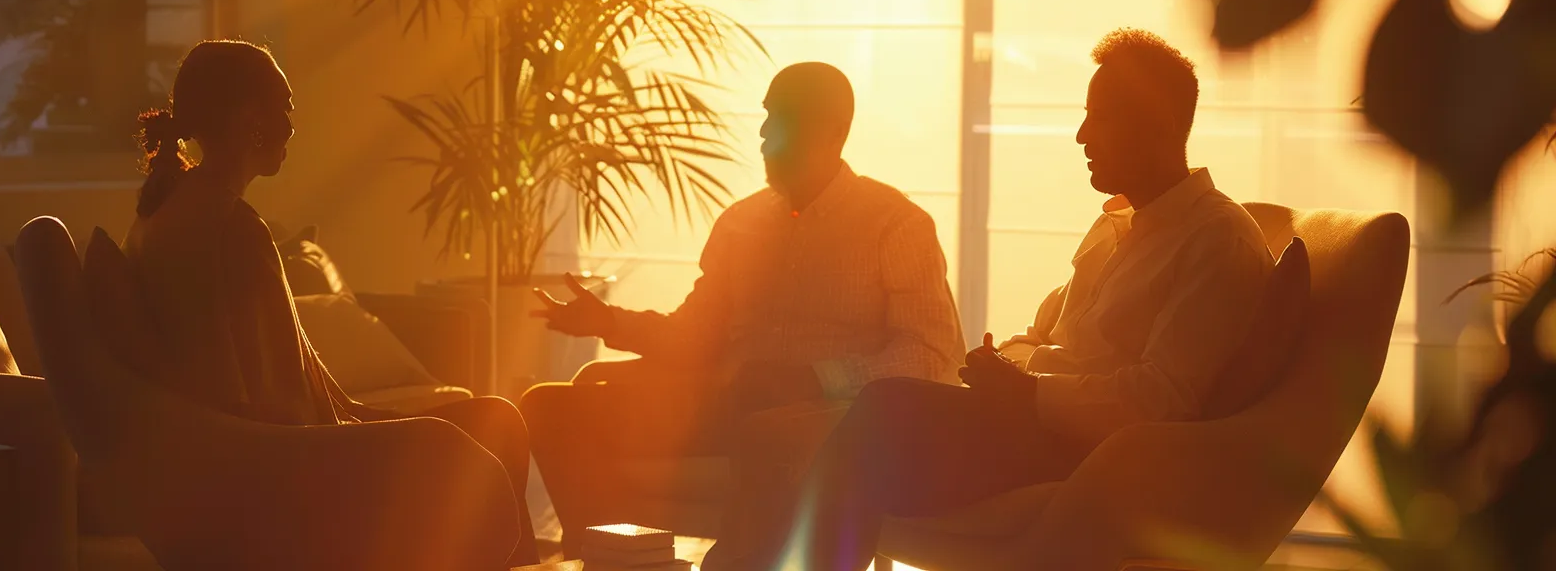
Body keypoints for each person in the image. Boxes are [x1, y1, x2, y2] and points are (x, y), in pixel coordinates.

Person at [736, 29, 1275, 571]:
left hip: (1088, 454)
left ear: (1154, 125)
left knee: (880, 414)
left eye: (1100, 116)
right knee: (836, 438)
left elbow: (1161, 399)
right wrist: (1004, 369)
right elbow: (1042, 336)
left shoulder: (1216, 240)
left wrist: (1028, 394)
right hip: (1030, 424)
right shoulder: (1116, 227)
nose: (1082, 135)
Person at [120, 39, 539, 567]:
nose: (293, 126)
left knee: (486, 417)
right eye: (286, 108)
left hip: (252, 461)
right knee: (498, 423)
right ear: (252, 118)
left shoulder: (158, 215)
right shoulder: (232, 227)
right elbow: (277, 408)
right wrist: (371, 439)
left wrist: (373, 417)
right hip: (300, 469)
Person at [521, 62, 963, 557]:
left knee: (768, 432)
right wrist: (609, 322)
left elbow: (931, 351)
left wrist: (816, 379)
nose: (764, 132)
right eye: (767, 115)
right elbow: (695, 334)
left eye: (783, 118)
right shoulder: (741, 223)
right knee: (548, 407)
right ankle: (610, 558)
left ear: (834, 131)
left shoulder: (896, 226)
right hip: (718, 401)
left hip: (822, 416)